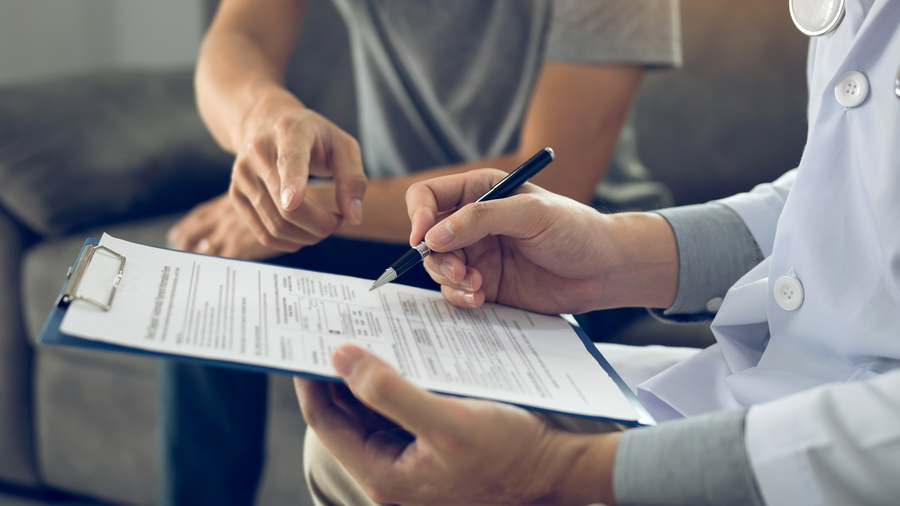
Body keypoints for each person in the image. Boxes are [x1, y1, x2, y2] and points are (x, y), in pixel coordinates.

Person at [295, 0, 900, 504]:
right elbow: (840, 187)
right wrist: (618, 256)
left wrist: (552, 470)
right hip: (784, 385)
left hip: (845, 453)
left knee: (394, 457)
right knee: (360, 442)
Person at [159, 0, 682, 504]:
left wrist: (331, 199)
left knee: (478, 392)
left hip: (568, 234)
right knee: (216, 268)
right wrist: (263, 116)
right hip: (402, 229)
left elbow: (561, 177)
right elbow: (238, 35)